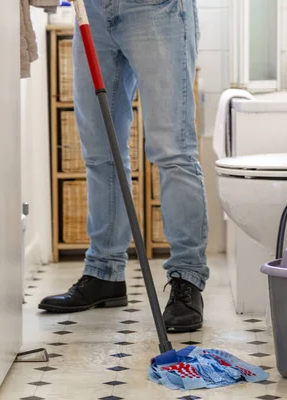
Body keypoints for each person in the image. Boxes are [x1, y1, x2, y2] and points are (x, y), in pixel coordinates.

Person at [38, 0, 209, 333]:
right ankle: (104, 273)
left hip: (157, 9)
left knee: (172, 151)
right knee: (100, 154)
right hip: (92, 12)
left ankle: (187, 280)